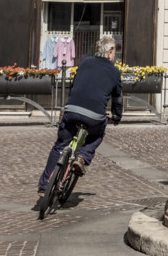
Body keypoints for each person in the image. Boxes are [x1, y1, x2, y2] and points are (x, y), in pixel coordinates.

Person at [37, 36, 124, 195]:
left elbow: (75, 84)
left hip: (72, 110)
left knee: (60, 145)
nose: (114, 56)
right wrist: (117, 117)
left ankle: (44, 185)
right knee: (96, 135)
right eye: (114, 53)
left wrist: (68, 105)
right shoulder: (114, 71)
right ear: (110, 53)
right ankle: (82, 157)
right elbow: (117, 99)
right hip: (94, 116)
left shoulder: (84, 62)